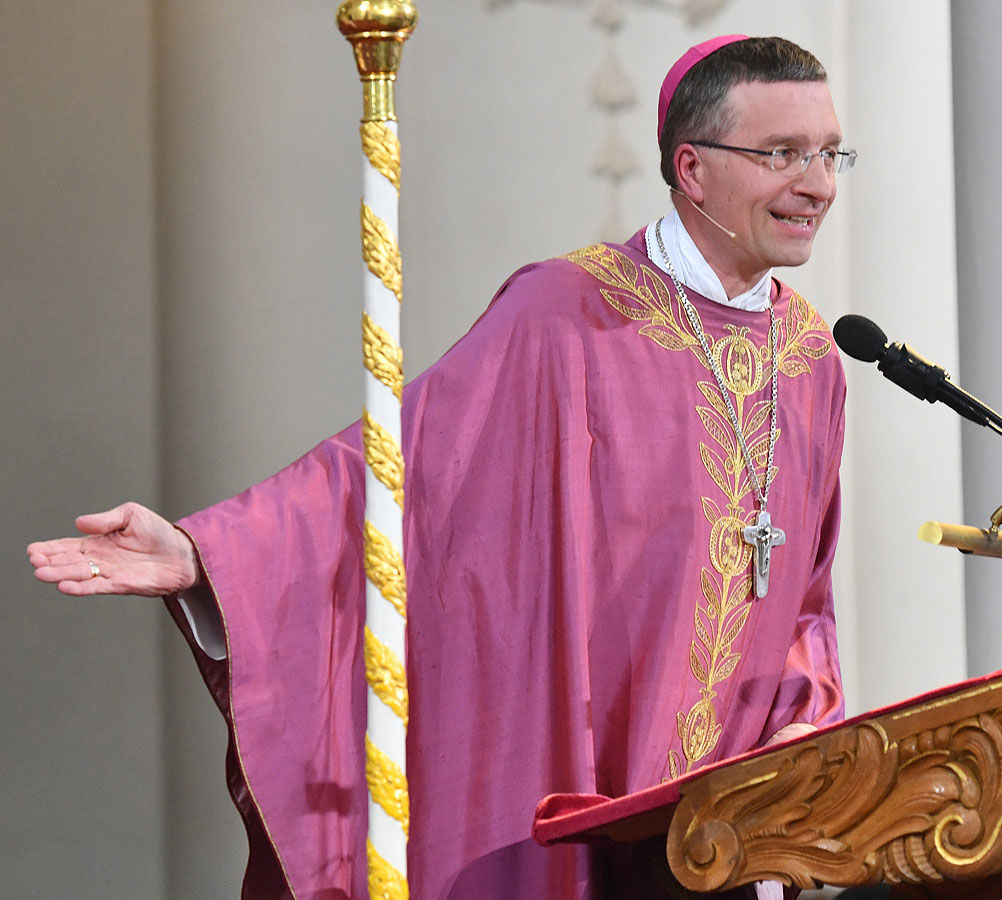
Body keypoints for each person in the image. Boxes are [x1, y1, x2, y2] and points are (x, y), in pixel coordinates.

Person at [28, 35, 853, 899]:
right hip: (580, 796)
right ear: (693, 166)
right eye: (783, 154)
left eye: (830, 153)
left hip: (730, 827)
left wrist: (811, 747)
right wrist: (206, 554)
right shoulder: (566, 314)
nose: (819, 184)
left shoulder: (810, 358)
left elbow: (805, 599)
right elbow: (397, 476)